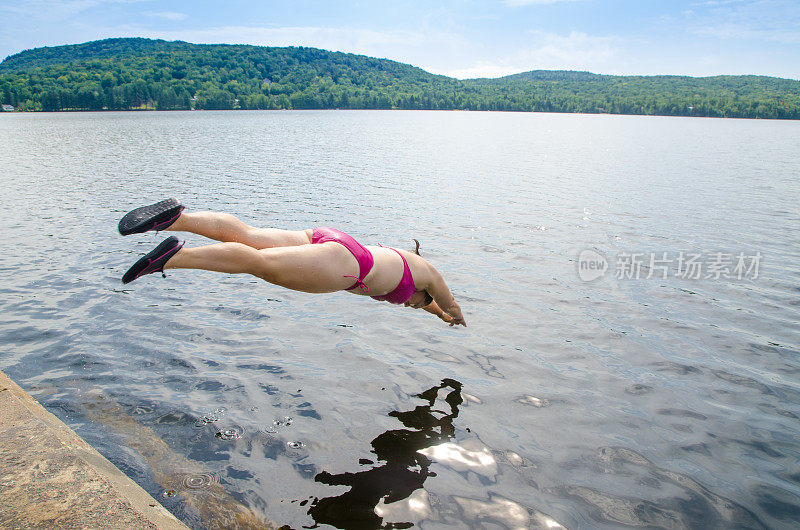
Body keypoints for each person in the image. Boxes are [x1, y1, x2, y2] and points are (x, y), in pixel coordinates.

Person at [119, 199, 466, 326]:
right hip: (347, 265)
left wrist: (443, 316)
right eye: (418, 301)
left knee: (250, 235)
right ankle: (176, 257)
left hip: (331, 239)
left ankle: (172, 219)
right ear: (421, 290)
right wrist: (460, 316)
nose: (412, 304)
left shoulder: (405, 268)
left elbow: (436, 306)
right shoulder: (424, 272)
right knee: (259, 263)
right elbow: (443, 293)